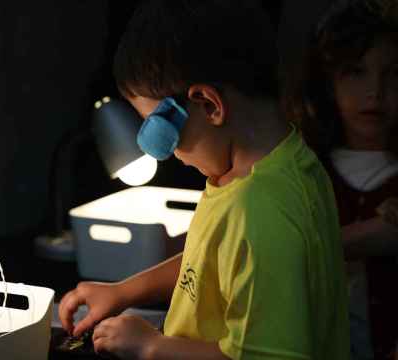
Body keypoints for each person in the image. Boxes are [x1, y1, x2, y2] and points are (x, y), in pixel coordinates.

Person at [58, 0, 350, 359]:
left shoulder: (262, 210)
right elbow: (210, 263)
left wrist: (152, 346)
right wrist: (123, 292)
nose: (169, 154)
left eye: (158, 135)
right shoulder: (276, 167)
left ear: (209, 104)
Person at [284, 0, 398, 358]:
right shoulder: (303, 174)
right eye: (356, 72)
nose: (375, 92)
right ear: (328, 83)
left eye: (392, 74)